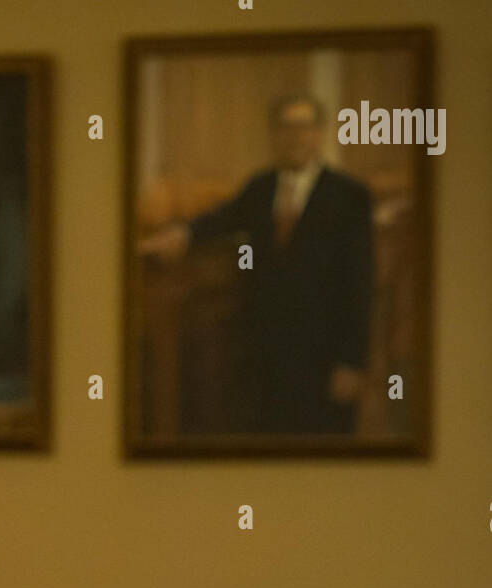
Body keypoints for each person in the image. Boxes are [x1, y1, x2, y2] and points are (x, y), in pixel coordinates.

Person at [139, 94, 373, 435]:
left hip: (325, 358)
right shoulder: (260, 188)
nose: (296, 137)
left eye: (304, 127)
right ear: (274, 135)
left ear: (319, 134)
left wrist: (351, 362)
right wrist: (182, 234)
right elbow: (221, 219)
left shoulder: (349, 196)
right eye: (286, 128)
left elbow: (359, 283)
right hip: (268, 356)